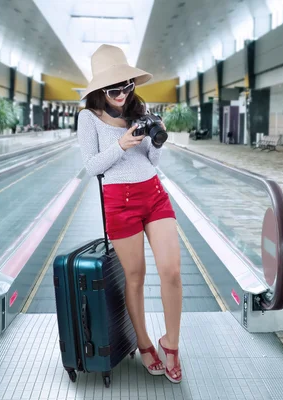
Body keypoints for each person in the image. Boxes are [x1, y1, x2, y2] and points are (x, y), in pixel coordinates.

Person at [76, 44, 182, 384]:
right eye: (114, 89)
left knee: (172, 271)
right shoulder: (87, 118)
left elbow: (150, 161)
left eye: (127, 86)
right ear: (100, 91)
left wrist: (156, 143)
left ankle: (172, 344)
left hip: (153, 193)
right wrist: (119, 144)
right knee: (135, 276)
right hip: (118, 201)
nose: (123, 94)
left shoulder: (140, 109)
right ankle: (145, 342)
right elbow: (92, 166)